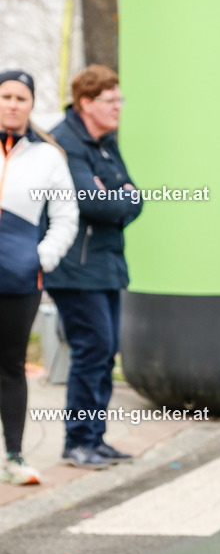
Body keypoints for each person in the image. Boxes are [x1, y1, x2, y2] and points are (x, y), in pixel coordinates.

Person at [45, 65, 143, 468]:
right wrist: (118, 197)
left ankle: (95, 438)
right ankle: (76, 441)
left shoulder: (106, 141)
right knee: (93, 349)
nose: (119, 107)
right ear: (86, 103)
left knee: (106, 352)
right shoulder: (65, 142)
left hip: (107, 264)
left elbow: (134, 197)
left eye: (120, 99)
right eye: (110, 100)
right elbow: (92, 202)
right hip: (75, 268)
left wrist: (119, 197)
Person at [0, 69, 78, 485]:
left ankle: (14, 456)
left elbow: (67, 215)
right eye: (5, 96)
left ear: (31, 105)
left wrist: (41, 258)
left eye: (21, 98)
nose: (12, 104)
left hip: (19, 280)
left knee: (11, 366)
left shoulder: (48, 155)